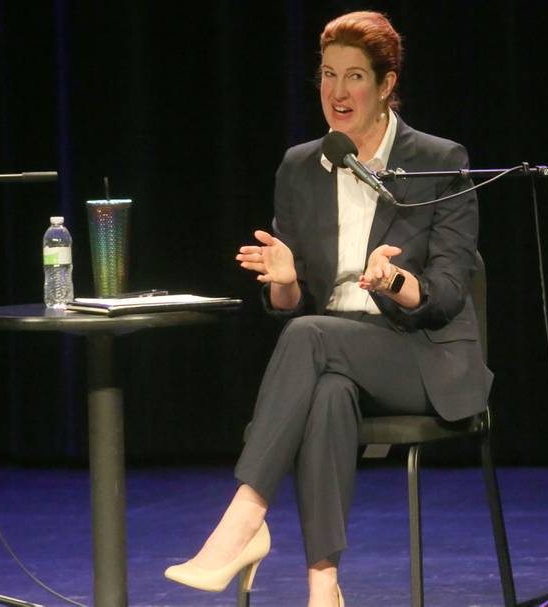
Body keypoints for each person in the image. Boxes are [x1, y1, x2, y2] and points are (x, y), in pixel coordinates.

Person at [164, 10, 492, 607]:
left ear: (387, 84)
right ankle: (324, 589)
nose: (337, 93)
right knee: (327, 390)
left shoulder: (439, 160)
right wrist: (285, 283)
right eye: (327, 75)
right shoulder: (300, 167)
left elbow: (447, 292)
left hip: (421, 355)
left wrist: (394, 281)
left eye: (355, 77)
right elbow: (291, 308)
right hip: (331, 351)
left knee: (315, 341)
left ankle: (244, 519)